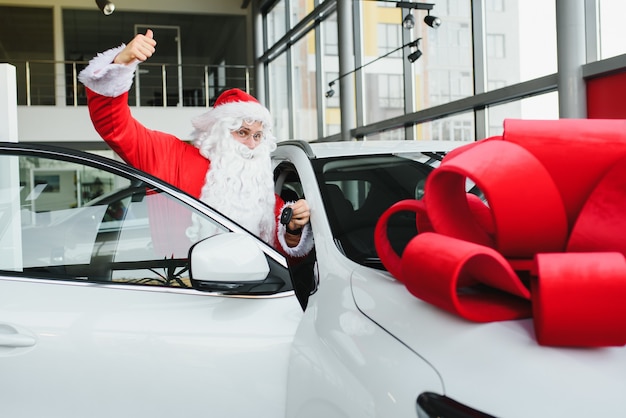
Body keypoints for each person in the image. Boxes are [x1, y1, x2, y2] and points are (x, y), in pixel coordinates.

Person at [78, 29, 313, 259]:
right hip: (184, 288)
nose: (251, 144)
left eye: (258, 136)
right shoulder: (170, 156)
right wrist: (121, 64)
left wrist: (292, 229)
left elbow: (282, 252)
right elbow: (114, 126)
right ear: (218, 131)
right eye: (242, 132)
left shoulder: (260, 187)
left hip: (252, 294)